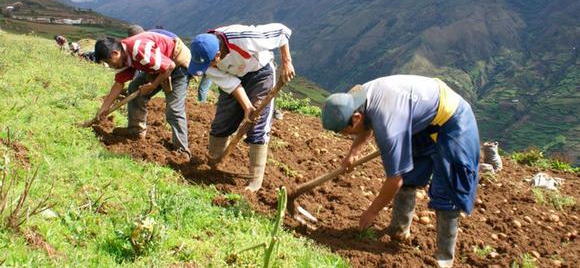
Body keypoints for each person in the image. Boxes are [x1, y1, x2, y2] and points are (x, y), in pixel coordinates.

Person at [320, 75, 480, 268]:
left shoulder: (388, 125)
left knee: (448, 189)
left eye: (344, 132)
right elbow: (366, 123)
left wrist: (371, 212)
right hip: (421, 120)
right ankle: (398, 232)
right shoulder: (358, 97)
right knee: (410, 175)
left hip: (453, 118)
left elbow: (394, 180)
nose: (345, 135)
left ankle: (443, 260)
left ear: (355, 119)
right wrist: (353, 153)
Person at [188, 23, 295, 192]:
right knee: (222, 122)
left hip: (260, 74)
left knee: (257, 125)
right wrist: (246, 106)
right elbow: (230, 83)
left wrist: (287, 62)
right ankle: (215, 165)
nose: (207, 68)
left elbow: (282, 31)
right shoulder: (203, 57)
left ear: (218, 55)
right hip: (234, 76)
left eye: (210, 63)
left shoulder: (245, 38)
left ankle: (255, 180)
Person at [93, 31, 192, 157]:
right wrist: (104, 107)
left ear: (115, 53)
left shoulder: (138, 50)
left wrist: (152, 85)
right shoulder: (123, 56)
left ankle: (182, 150)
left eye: (109, 61)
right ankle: (136, 131)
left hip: (178, 64)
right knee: (134, 87)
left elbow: (169, 66)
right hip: (158, 64)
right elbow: (118, 84)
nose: (111, 65)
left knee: (174, 109)